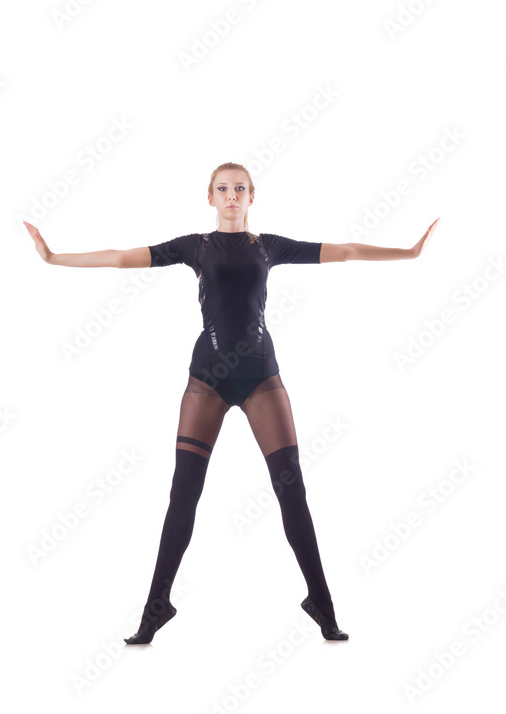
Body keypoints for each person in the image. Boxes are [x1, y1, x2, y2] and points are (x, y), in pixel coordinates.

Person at [24, 161, 440, 644]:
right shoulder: (194, 247)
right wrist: (53, 257)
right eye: (223, 189)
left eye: (240, 189)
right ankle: (155, 609)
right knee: (184, 494)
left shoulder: (270, 247)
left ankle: (323, 605)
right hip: (207, 380)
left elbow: (344, 250)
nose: (232, 196)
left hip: (262, 377)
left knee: (292, 491)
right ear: (210, 197)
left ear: (252, 195)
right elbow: (120, 258)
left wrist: (409, 252)